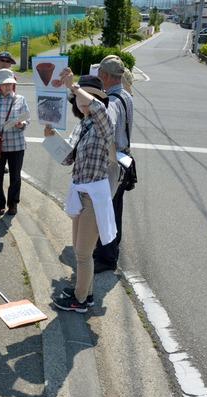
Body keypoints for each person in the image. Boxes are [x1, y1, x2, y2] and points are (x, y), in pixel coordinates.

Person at [50, 73, 116, 313]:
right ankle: (85, 294)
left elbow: (98, 109)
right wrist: (51, 139)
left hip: (94, 196)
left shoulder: (103, 121)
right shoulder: (83, 125)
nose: (81, 101)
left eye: (87, 97)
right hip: (80, 192)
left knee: (83, 252)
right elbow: (67, 158)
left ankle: (79, 300)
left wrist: (75, 87)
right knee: (79, 249)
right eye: (77, 98)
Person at [92, 55, 134, 274]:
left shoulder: (113, 102)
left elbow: (107, 129)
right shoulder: (126, 95)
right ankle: (111, 251)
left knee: (106, 211)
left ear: (106, 76)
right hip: (124, 159)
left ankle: (106, 257)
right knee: (115, 208)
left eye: (100, 74)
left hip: (112, 162)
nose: (99, 78)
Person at [0, 69, 30, 216]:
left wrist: (22, 124)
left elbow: (27, 119)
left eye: (10, 84)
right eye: (5, 84)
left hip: (17, 144)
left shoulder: (20, 99)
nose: (8, 87)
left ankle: (13, 203)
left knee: (15, 176)